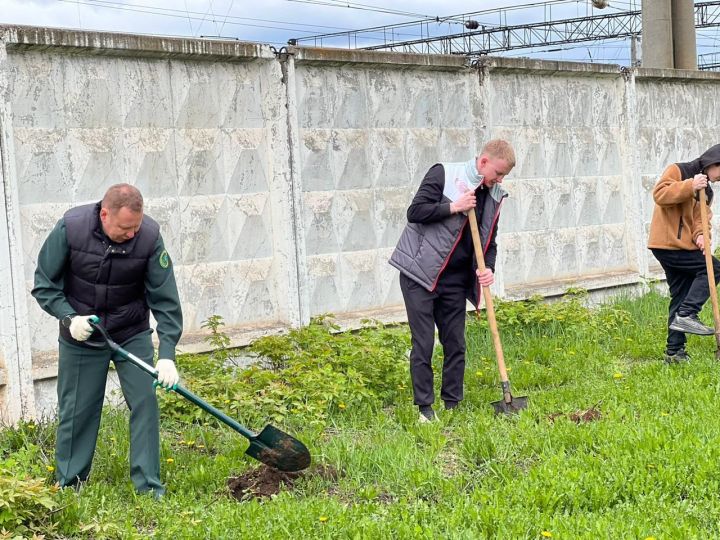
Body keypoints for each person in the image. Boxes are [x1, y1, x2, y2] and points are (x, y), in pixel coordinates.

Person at [32, 183, 183, 497]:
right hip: (82, 333)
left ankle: (148, 486)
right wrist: (68, 317)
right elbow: (44, 284)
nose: (131, 235)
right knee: (77, 409)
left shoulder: (150, 238)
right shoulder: (71, 228)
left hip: (130, 332)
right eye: (125, 228)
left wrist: (166, 353)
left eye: (136, 228)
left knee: (145, 401)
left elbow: (166, 301)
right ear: (104, 214)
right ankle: (69, 483)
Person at [390, 140, 516, 422]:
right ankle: (425, 409)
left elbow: (489, 241)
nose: (500, 179)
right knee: (423, 343)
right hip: (420, 273)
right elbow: (416, 212)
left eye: (504, 175)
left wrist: (489, 268)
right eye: (498, 172)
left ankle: (452, 404)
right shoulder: (443, 174)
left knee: (455, 343)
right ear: (483, 162)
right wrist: (454, 207)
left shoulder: (493, 194)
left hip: (455, 280)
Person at [648, 144, 720, 363]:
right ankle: (688, 314)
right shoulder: (678, 170)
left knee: (680, 294)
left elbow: (701, 219)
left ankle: (674, 352)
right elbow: (660, 194)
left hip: (684, 246)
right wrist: (689, 185)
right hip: (667, 244)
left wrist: (701, 236)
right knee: (716, 268)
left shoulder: (707, 190)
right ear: (713, 163)